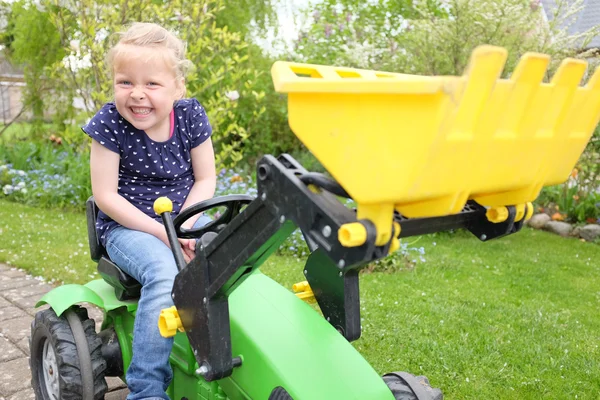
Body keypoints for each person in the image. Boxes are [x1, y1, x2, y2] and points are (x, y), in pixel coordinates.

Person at [82, 22, 216, 400]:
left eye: (152, 84)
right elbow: (106, 196)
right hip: (129, 227)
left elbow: (205, 180)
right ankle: (145, 388)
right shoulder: (109, 125)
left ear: (178, 87)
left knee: (227, 256)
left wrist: (185, 226)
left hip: (186, 216)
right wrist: (163, 232)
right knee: (164, 271)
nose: (137, 94)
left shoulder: (190, 116)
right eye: (125, 82)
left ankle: (224, 354)